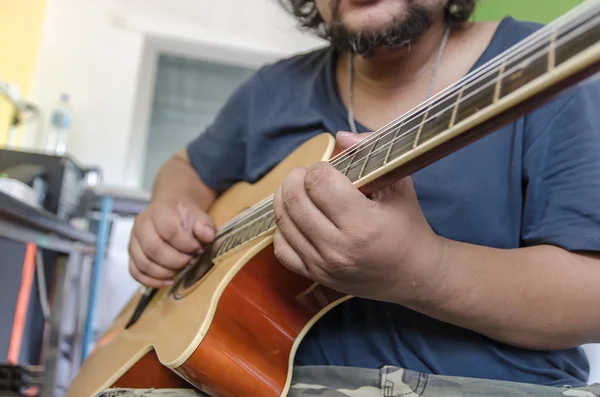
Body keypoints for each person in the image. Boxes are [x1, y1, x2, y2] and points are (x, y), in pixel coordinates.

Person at [127, 0, 600, 393]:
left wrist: (423, 269)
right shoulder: (271, 91)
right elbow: (186, 168)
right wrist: (170, 205)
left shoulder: (548, 68)